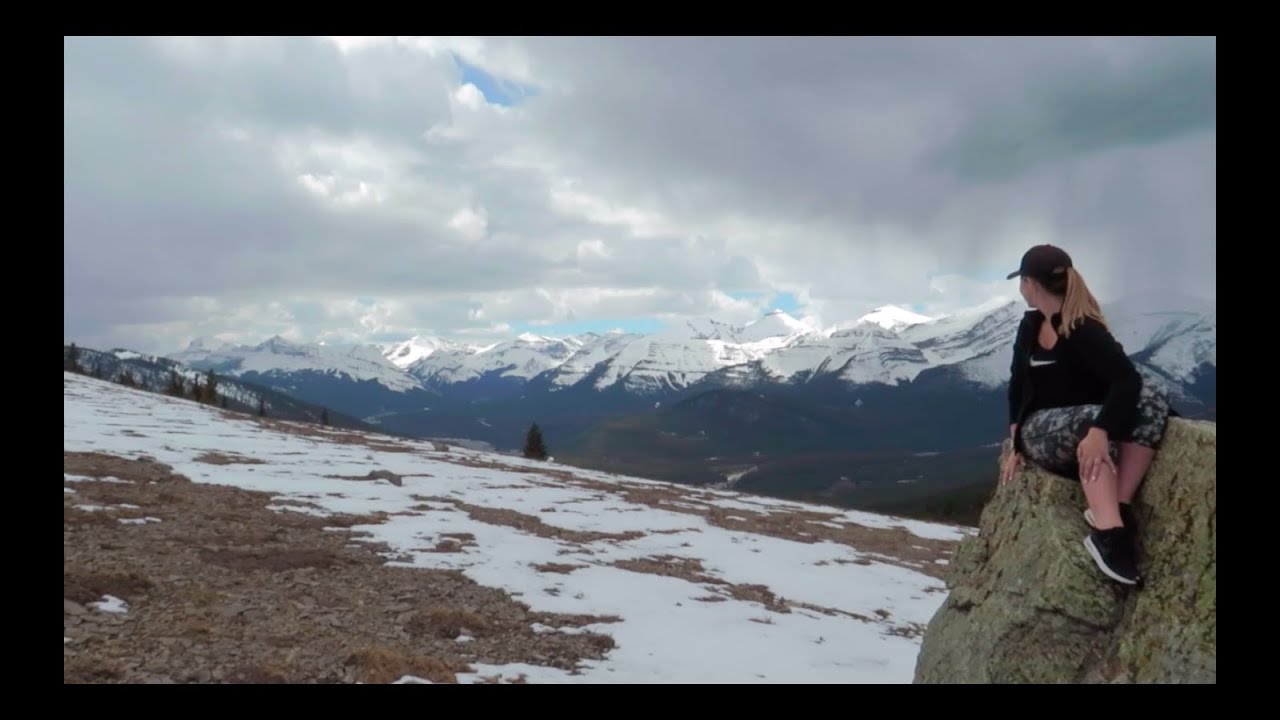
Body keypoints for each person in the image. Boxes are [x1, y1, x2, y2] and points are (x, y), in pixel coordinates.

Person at [998, 244, 1172, 586]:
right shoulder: (1031, 326)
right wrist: (1015, 445)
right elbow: (1017, 385)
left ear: (1030, 284)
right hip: (1039, 433)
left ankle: (1112, 520)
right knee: (1089, 420)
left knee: (1153, 395)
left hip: (1083, 426)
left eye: (1022, 281)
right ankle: (1112, 527)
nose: (1021, 289)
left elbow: (1128, 379)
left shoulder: (1083, 328)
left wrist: (1101, 430)